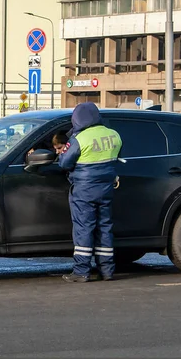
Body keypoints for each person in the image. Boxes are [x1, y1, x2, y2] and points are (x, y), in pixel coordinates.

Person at [58, 102, 122, 283]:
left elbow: (64, 163)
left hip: (84, 190)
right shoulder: (113, 135)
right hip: (107, 188)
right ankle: (107, 271)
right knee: (105, 228)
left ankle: (81, 271)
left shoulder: (79, 139)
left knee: (84, 228)